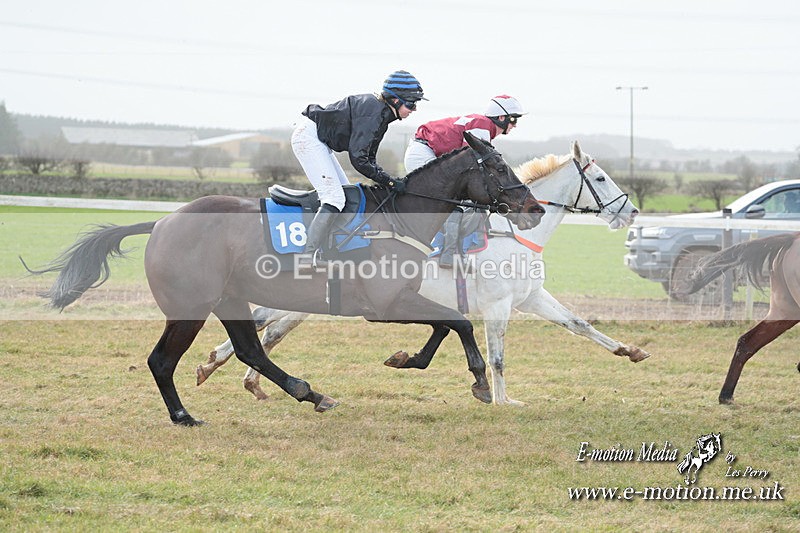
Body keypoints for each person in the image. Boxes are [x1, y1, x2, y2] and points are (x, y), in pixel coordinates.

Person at [291, 70, 426, 265]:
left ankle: (327, 249)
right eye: (411, 104)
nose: (414, 109)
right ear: (395, 101)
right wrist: (389, 181)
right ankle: (306, 257)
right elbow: (359, 160)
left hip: (320, 141)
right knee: (334, 198)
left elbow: (369, 158)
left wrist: (388, 181)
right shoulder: (374, 114)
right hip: (309, 137)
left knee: (345, 196)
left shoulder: (382, 115)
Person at [403, 95, 527, 268]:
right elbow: (470, 168)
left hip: (426, 150)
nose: (515, 125)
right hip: (424, 153)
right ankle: (449, 254)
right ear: (501, 117)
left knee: (466, 203)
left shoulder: (483, 127)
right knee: (457, 204)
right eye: (513, 119)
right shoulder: (482, 128)